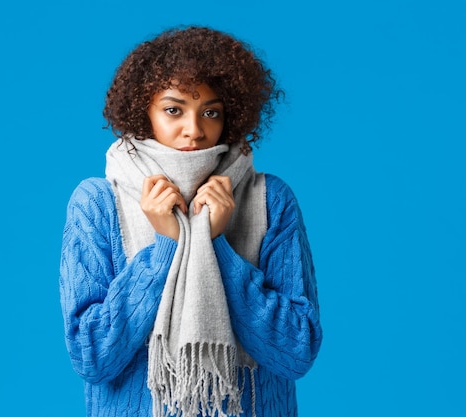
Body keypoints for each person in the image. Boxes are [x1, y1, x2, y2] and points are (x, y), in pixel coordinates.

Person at [59, 26, 322, 417]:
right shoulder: (98, 203)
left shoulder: (270, 199)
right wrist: (164, 251)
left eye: (211, 112)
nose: (194, 130)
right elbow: (92, 356)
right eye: (173, 109)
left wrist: (216, 244)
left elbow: (295, 352)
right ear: (142, 111)